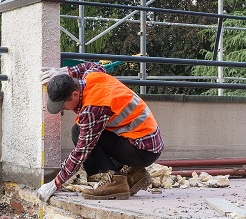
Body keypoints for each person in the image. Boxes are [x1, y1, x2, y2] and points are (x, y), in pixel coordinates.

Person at [36, 61, 164, 202]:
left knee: (79, 133)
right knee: (80, 130)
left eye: (63, 105)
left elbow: (81, 152)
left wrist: (55, 183)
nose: (61, 109)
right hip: (146, 142)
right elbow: (94, 65)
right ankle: (135, 173)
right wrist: (67, 71)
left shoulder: (93, 109)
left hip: (143, 150)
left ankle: (114, 181)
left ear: (74, 94)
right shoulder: (91, 76)